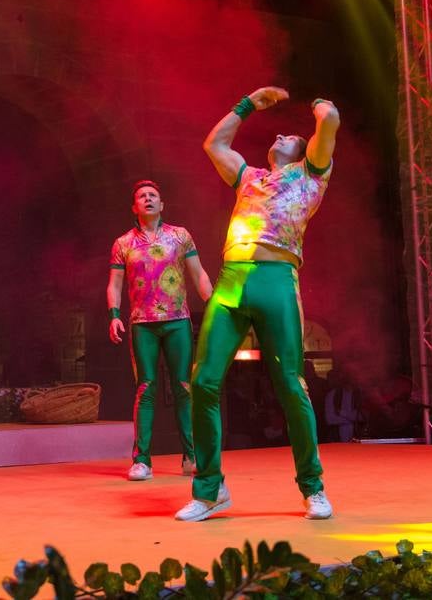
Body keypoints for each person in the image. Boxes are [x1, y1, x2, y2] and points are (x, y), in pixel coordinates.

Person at [175, 87, 340, 522]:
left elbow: (330, 124)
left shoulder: (311, 173)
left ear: (303, 150)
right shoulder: (248, 176)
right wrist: (248, 104)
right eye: (279, 134)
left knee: (290, 384)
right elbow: (214, 145)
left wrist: (319, 105)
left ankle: (313, 487)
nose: (282, 135)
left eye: (290, 136)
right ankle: (209, 490)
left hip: (276, 281)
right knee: (205, 381)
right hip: (232, 281)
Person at [107, 180, 214, 481]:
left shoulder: (180, 236)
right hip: (143, 323)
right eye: (142, 196)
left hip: (177, 320)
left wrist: (215, 304)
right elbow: (114, 284)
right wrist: (114, 314)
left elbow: (199, 273)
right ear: (134, 207)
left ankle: (191, 456)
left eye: (153, 195)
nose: (148, 198)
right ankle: (142, 460)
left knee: (184, 388)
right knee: (146, 388)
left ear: (162, 204)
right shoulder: (123, 243)